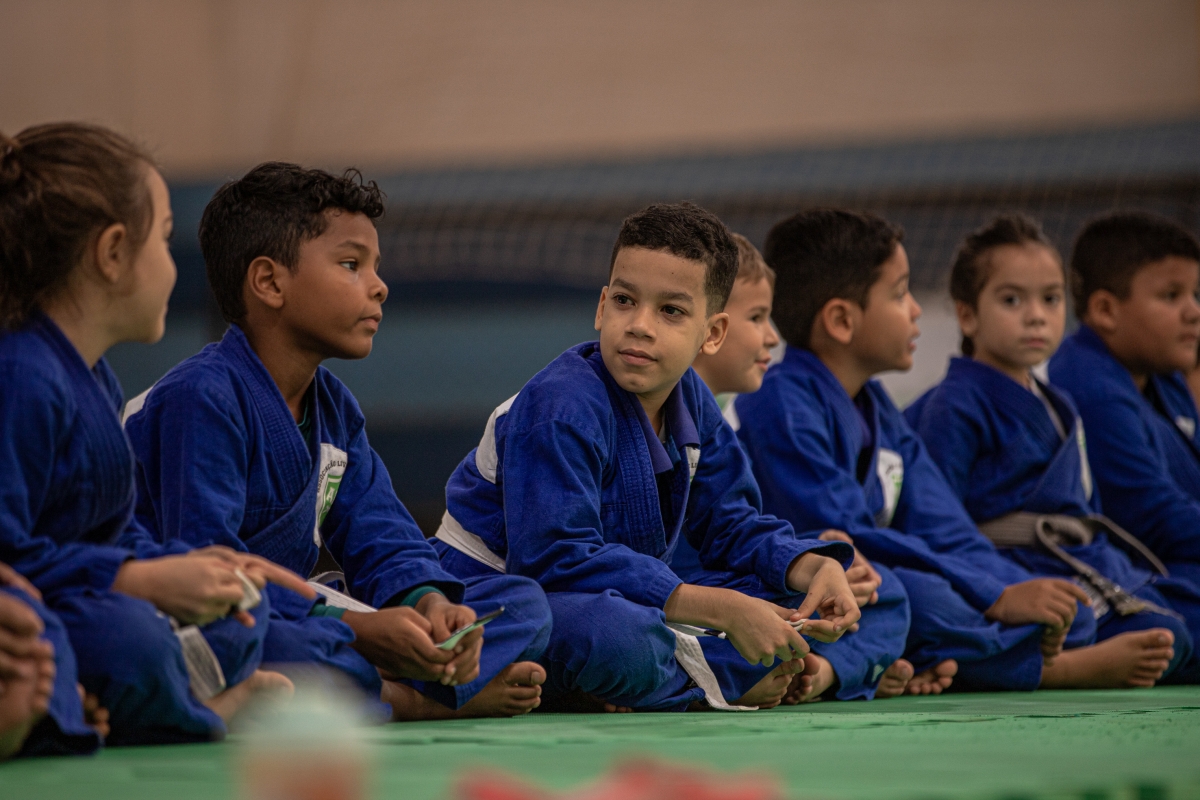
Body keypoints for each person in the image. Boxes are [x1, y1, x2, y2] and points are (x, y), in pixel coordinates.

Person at [125, 162, 552, 720]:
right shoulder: (200, 397)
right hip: (210, 616)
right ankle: (414, 699)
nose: (379, 285)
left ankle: (397, 670)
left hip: (303, 609)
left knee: (522, 604)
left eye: (375, 266)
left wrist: (428, 605)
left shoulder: (333, 406)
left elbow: (383, 535)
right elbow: (209, 578)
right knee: (280, 647)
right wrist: (362, 631)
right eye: (352, 265)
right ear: (270, 282)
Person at [437, 202, 861, 713]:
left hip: (622, 594)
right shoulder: (561, 405)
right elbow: (553, 561)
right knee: (616, 638)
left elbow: (730, 522)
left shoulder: (692, 400)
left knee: (790, 602)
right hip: (505, 595)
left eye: (671, 311)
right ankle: (714, 677)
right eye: (624, 300)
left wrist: (810, 568)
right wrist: (722, 610)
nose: (639, 325)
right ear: (601, 307)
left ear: (713, 333)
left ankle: (663, 677)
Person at [0, 123, 310, 747]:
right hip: (54, 605)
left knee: (242, 613)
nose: (173, 264)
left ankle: (89, 707)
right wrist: (135, 581)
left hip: (87, 595)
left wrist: (177, 564)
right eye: (165, 239)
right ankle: (189, 711)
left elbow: (110, 533)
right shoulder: (23, 375)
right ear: (113, 253)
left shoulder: (96, 378)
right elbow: (11, 557)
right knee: (124, 638)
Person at [731, 207, 1121, 694]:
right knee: (915, 596)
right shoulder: (779, 401)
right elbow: (847, 534)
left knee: (1066, 609)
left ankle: (909, 662)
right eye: (900, 294)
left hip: (872, 588)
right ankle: (1045, 668)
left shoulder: (878, 406)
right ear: (842, 320)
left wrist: (1006, 587)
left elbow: (945, 526)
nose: (916, 310)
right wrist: (994, 596)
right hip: (812, 585)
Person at [907, 214, 1192, 686]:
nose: (1036, 315)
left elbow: (1083, 512)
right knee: (1149, 631)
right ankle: (1063, 666)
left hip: (1075, 561)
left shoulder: (1059, 404)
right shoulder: (955, 404)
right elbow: (938, 520)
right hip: (1008, 569)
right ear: (967, 315)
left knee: (1177, 623)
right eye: (1012, 300)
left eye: (1051, 299)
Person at [686, 234, 913, 701]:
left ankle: (822, 672)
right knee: (618, 631)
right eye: (757, 318)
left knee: (882, 591)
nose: (773, 337)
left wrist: (808, 558)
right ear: (711, 329)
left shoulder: (717, 423)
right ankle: (825, 669)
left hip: (732, 590)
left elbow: (739, 529)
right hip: (682, 601)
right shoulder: (768, 406)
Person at [1049, 211, 1200, 672]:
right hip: (1126, 574)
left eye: (1195, 294)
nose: (1193, 311)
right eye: (1171, 296)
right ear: (1105, 310)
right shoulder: (1088, 387)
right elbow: (1150, 517)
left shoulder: (1164, 377)